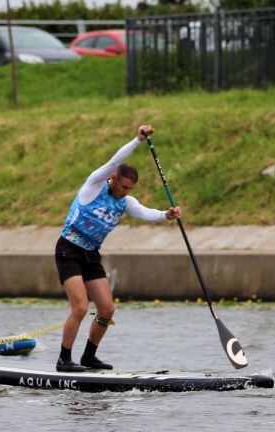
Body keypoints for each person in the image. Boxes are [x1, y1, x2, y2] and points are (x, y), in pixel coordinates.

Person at [54, 124, 182, 372]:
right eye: (123, 187)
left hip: (91, 254)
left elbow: (147, 213)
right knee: (80, 307)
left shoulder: (125, 202)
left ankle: (89, 356)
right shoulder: (94, 185)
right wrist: (137, 140)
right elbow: (116, 160)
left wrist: (167, 214)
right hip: (68, 249)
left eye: (130, 190)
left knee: (107, 308)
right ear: (113, 178)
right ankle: (63, 359)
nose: (126, 193)